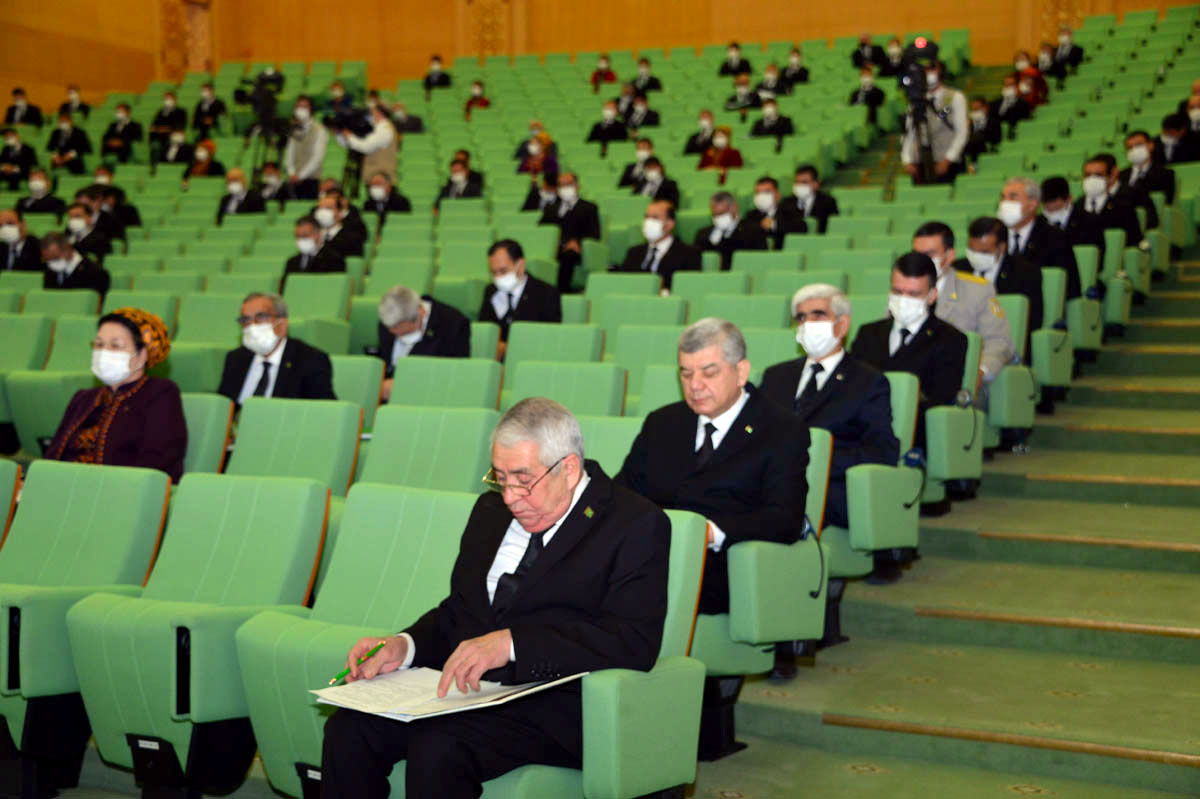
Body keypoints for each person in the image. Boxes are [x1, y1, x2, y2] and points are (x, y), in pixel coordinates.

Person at [321, 396, 669, 799]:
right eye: (500, 478)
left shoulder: (633, 523)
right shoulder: (490, 512)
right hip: (472, 693)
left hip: (556, 703)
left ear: (570, 469)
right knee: (349, 728)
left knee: (438, 748)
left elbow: (632, 640)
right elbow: (460, 612)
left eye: (523, 480)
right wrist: (405, 645)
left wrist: (513, 644)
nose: (510, 497)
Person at [616, 317, 809, 615]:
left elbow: (785, 519)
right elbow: (622, 493)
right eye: (685, 373)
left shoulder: (781, 430)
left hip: (722, 567)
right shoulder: (663, 423)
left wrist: (713, 533)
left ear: (741, 372)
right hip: (649, 555)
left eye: (709, 373)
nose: (695, 385)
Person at [764, 284, 898, 530]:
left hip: (827, 489)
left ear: (842, 325)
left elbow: (882, 451)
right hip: (770, 485)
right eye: (801, 318)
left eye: (818, 315)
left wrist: (815, 461)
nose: (807, 324)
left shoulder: (868, 382)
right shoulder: (775, 376)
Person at [45, 308, 186, 481]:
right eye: (99, 345)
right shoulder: (83, 398)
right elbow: (52, 455)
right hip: (65, 485)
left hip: (120, 490)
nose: (104, 352)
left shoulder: (160, 393)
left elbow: (157, 464)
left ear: (142, 355)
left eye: (115, 346)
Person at [850, 253, 967, 449]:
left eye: (913, 294)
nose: (903, 300)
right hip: (859, 429)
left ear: (932, 295)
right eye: (897, 291)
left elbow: (939, 400)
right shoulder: (868, 333)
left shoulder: (950, 339)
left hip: (913, 434)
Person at [911, 222, 1014, 392]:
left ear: (950, 255)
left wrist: (979, 372)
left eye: (930, 254)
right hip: (911, 380)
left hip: (957, 380)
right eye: (917, 254)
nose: (921, 261)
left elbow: (998, 342)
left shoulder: (978, 290)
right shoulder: (904, 291)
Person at [217, 292, 336, 407]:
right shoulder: (235, 359)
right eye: (245, 320)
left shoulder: (310, 360)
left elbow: (324, 411)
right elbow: (222, 407)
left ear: (282, 324)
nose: (252, 326)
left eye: (260, 317)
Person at [956, 216, 1044, 351]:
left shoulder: (1025, 273)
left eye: (984, 251)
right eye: (972, 250)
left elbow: (1032, 320)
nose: (976, 256)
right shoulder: (957, 269)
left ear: (1002, 247)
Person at [370, 286, 470, 401]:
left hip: (428, 398)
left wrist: (403, 386)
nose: (397, 335)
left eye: (404, 332)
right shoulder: (388, 320)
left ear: (421, 313)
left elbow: (454, 377)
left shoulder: (454, 324)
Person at [1000, 176, 1082, 301]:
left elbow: (1070, 287)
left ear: (1032, 204)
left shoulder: (1054, 237)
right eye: (1003, 197)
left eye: (1012, 197)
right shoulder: (994, 236)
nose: (1004, 203)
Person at [478, 240, 562, 352]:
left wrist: (506, 347)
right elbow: (485, 333)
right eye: (494, 272)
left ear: (521, 265)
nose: (498, 277)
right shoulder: (491, 291)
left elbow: (549, 338)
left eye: (503, 271)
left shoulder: (546, 293)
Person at [901, 61, 968, 184]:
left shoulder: (955, 97)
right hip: (921, 162)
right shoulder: (916, 101)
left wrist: (948, 159)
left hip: (948, 162)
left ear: (941, 72)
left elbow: (962, 133)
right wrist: (907, 160)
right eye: (925, 70)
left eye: (932, 68)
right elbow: (909, 132)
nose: (928, 73)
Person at [614, 201, 700, 291]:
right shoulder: (633, 252)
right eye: (646, 217)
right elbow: (624, 284)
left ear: (670, 224)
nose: (648, 222)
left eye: (655, 218)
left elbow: (688, 288)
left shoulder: (689, 254)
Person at [540, 172, 601, 292]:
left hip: (575, 250)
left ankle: (561, 291)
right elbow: (542, 230)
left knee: (568, 256)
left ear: (577, 186)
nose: (564, 188)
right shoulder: (550, 208)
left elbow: (594, 234)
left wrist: (578, 242)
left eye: (568, 184)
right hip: (556, 248)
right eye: (561, 185)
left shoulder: (589, 207)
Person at [1039, 176, 1106, 273]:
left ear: (1069, 199)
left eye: (1056, 209)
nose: (1051, 213)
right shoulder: (1040, 222)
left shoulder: (1090, 221)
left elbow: (1097, 260)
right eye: (1047, 209)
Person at [1077, 153, 1143, 248]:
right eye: (1088, 175)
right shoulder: (1077, 206)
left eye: (1098, 175)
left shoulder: (1123, 207)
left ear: (1110, 178)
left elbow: (1134, 239)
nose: (1092, 179)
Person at [694, 191, 767, 270]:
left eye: (722, 213)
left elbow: (760, 260)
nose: (718, 218)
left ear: (734, 207)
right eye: (715, 215)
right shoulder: (703, 234)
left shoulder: (754, 231)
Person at [338, 102, 398, 185]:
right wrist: (341, 134)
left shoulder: (384, 129)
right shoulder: (376, 127)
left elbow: (366, 147)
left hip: (382, 179)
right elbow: (353, 144)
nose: (370, 114)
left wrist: (349, 136)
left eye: (373, 111)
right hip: (374, 177)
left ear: (378, 113)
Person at [39, 231, 110, 299]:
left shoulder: (96, 273)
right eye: (48, 259)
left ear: (67, 250)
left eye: (55, 258)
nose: (51, 263)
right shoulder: (50, 271)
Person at [1120, 130, 1174, 219]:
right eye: (1130, 148)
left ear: (1150, 145)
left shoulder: (1165, 174)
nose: (1134, 150)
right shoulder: (1121, 176)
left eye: (1139, 145)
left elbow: (1165, 204)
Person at [282, 215, 347, 290]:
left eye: (305, 235)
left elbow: (334, 288)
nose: (301, 240)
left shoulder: (334, 259)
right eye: (298, 236)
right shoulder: (291, 262)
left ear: (318, 234)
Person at [284, 96, 328, 200]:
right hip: (293, 179)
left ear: (311, 109)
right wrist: (291, 172)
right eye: (298, 106)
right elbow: (290, 153)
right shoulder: (294, 129)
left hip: (311, 179)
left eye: (304, 106)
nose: (301, 109)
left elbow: (317, 158)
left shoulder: (320, 130)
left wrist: (300, 176)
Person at [744, 176, 806, 249]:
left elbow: (802, 228)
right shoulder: (751, 215)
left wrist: (774, 225)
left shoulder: (790, 212)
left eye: (766, 192)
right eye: (758, 192)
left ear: (777, 195)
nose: (761, 196)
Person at [780, 164, 839, 234]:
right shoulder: (786, 203)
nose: (799, 186)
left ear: (816, 184)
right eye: (797, 182)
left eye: (804, 182)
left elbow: (830, 228)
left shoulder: (828, 202)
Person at [315, 189, 367, 258]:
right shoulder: (314, 236)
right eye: (320, 209)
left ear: (340, 212)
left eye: (328, 208)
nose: (322, 212)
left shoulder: (352, 238)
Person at [964, 96, 1002, 166]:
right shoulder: (969, 124)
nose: (975, 112)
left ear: (985, 108)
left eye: (977, 109)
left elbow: (996, 138)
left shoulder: (994, 122)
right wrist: (966, 128)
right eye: (973, 110)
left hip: (987, 147)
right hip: (970, 148)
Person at [148, 92, 186, 157]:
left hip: (173, 134)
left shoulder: (181, 111)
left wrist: (167, 129)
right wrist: (156, 129)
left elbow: (180, 125)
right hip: (160, 135)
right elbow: (154, 124)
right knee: (154, 143)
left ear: (175, 99)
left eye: (169, 98)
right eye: (166, 99)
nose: (167, 101)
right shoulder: (160, 112)